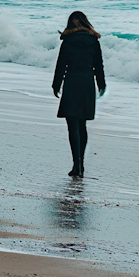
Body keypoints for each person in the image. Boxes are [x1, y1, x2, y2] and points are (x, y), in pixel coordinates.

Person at [52, 11, 106, 177]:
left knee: (72, 125)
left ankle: (77, 165)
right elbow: (99, 65)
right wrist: (101, 84)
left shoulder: (68, 41)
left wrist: (56, 85)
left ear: (72, 22)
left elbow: (61, 65)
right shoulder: (93, 40)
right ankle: (81, 163)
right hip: (88, 83)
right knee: (82, 125)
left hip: (72, 82)